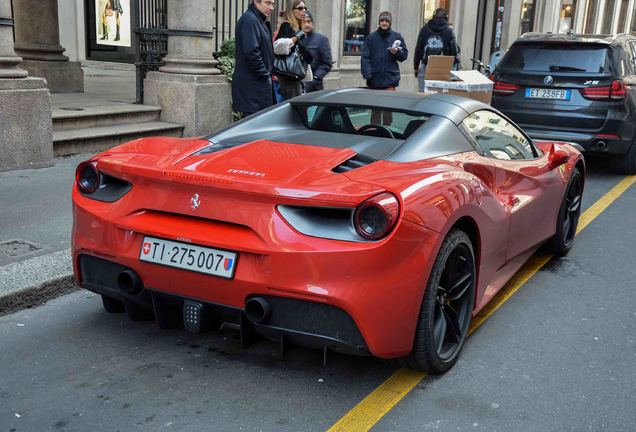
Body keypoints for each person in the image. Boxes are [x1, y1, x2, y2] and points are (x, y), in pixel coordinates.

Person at [361, 11, 408, 125]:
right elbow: (365, 57)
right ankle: (374, 129)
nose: (384, 23)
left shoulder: (397, 36)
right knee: (375, 109)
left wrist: (396, 52)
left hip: (390, 78)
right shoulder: (371, 38)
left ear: (390, 23)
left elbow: (404, 55)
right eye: (382, 21)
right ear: (379, 22)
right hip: (374, 78)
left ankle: (388, 129)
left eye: (386, 21)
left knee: (388, 108)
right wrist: (368, 74)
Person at [232, 0, 276, 119]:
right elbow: (252, 52)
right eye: (268, 3)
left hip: (257, 85)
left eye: (273, 4)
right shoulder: (250, 20)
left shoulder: (257, 20)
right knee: (253, 129)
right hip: (253, 86)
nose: (271, 7)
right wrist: (264, 74)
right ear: (256, 2)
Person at [413, 8, 460, 92]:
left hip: (426, 65)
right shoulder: (449, 31)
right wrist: (456, 68)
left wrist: (416, 67)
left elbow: (418, 49)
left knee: (423, 93)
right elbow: (454, 52)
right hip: (443, 67)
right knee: (441, 93)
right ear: (446, 18)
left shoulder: (424, 29)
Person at [274, 0, 312, 100]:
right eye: (300, 8)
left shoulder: (298, 27)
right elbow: (278, 47)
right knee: (295, 109)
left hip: (295, 77)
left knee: (298, 109)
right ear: (291, 10)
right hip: (290, 76)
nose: (304, 10)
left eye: (305, 8)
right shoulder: (286, 26)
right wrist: (297, 37)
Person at [301, 11, 333, 93]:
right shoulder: (296, 39)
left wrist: (315, 77)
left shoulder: (321, 39)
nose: (306, 24)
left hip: (314, 87)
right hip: (297, 84)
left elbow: (327, 63)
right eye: (303, 22)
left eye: (309, 21)